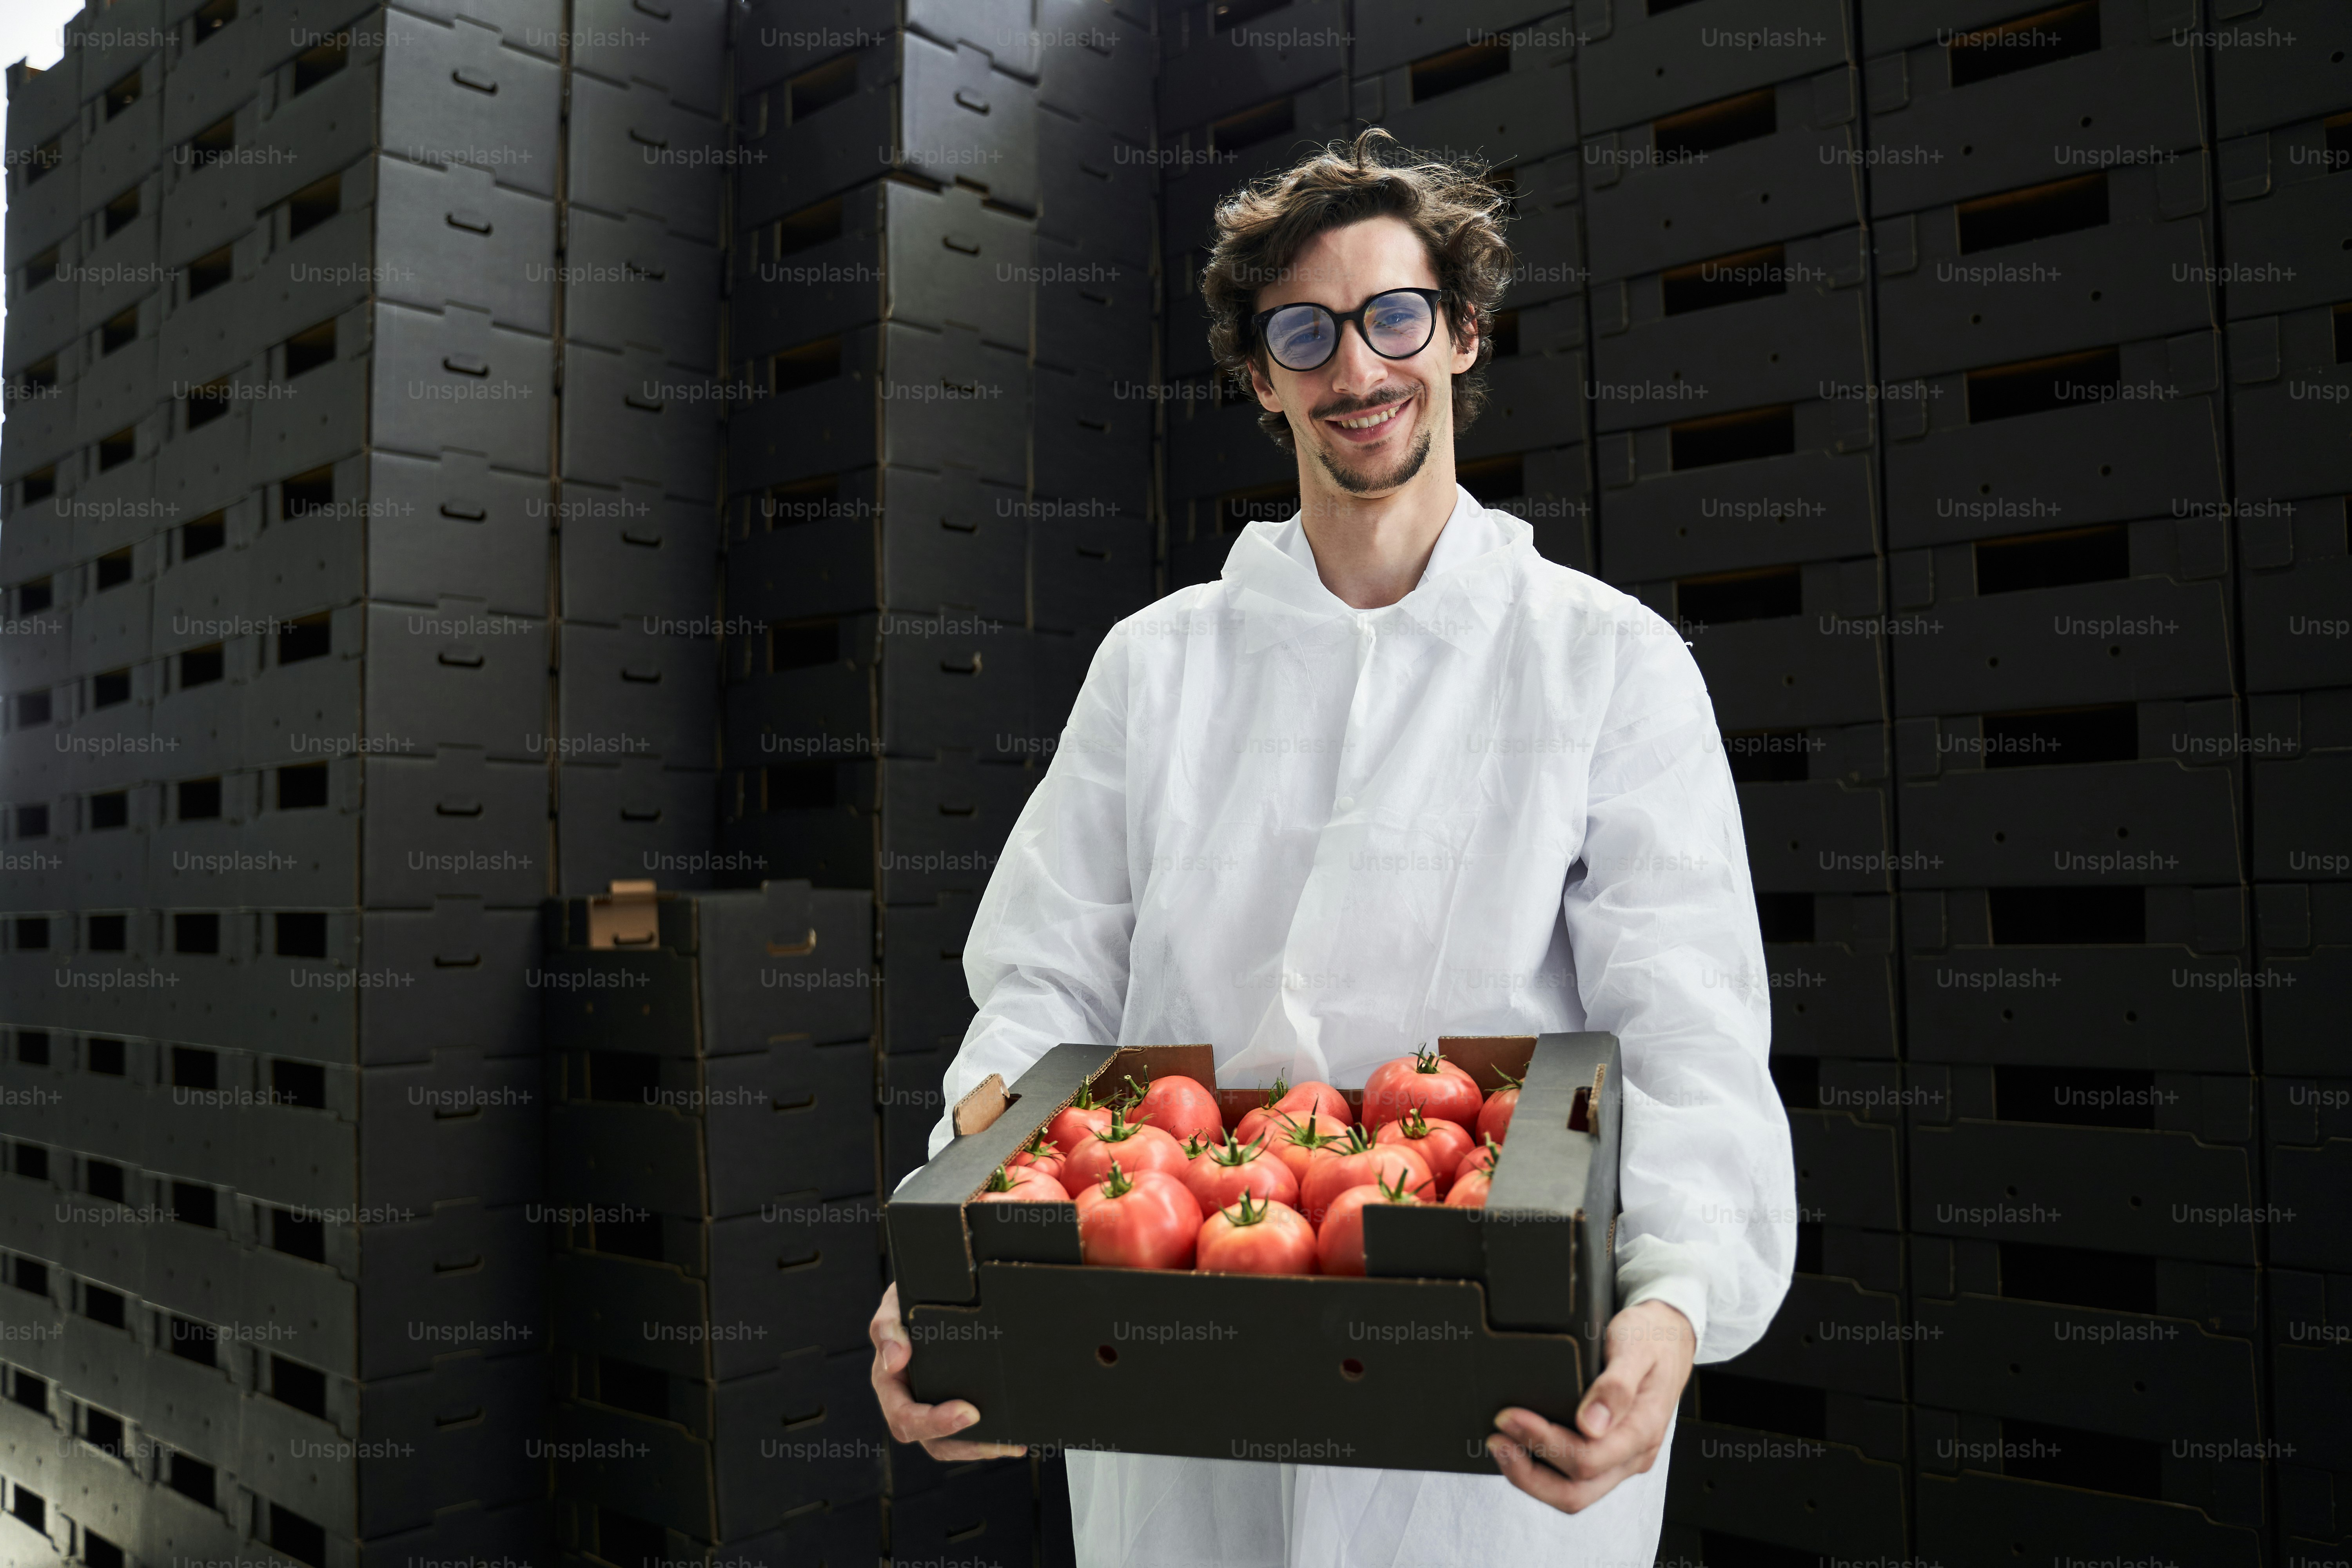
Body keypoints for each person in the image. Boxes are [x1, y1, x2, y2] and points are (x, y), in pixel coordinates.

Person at [869, 127, 1796, 1568]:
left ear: (1463, 333)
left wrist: (1672, 1307)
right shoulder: (1155, 667)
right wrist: (960, 1257)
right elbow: (1042, 994)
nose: (1357, 370)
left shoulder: (1607, 663)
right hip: (1173, 1373)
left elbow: (1683, 1037)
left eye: (1396, 318)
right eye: (1305, 333)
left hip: (1486, 1428)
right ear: (1262, 375)